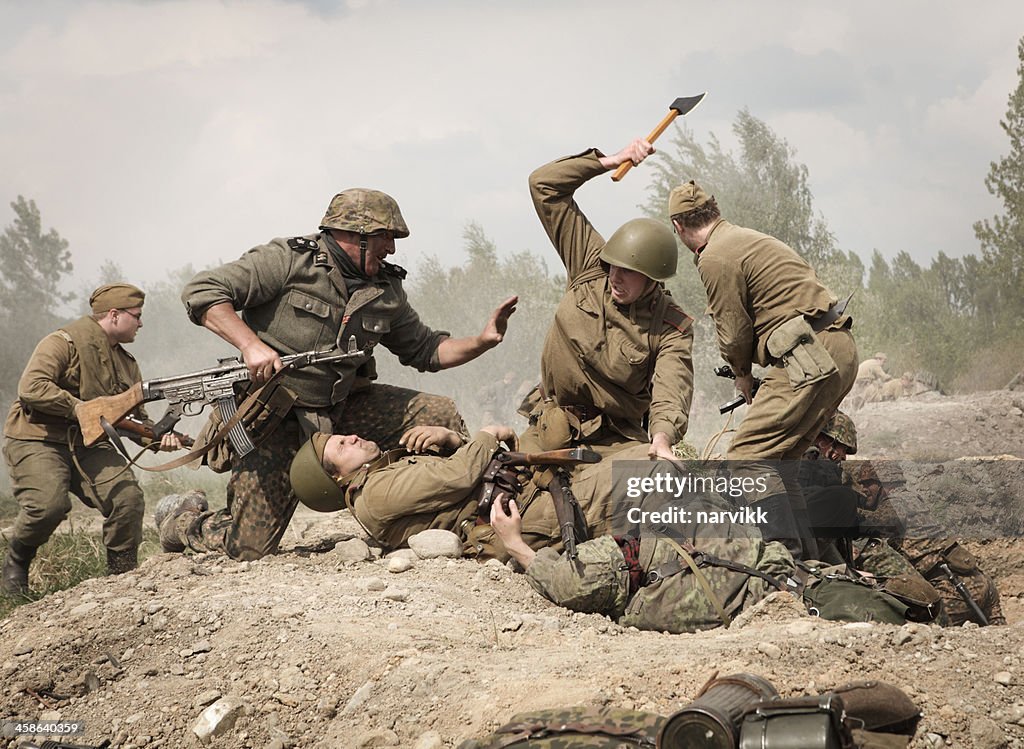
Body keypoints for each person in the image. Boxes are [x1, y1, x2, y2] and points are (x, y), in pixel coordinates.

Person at [161, 189, 517, 561]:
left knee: (437, 414)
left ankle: (444, 514)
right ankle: (185, 520)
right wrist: (250, 345)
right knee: (249, 550)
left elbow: (426, 349)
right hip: (274, 419)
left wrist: (483, 340)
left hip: (342, 408)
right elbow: (202, 292)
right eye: (385, 237)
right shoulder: (287, 261)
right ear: (354, 235)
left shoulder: (385, 287)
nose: (391, 249)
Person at [668, 181, 858, 559]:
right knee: (780, 464)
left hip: (809, 355)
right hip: (836, 348)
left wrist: (741, 373)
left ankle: (785, 563)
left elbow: (734, 330)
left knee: (746, 459)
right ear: (714, 210)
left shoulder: (714, 256)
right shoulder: (743, 237)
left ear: (678, 227)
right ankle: (814, 564)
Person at [159, 424, 652, 560]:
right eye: (342, 448)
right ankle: (728, 511)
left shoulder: (385, 472)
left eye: (345, 437)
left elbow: (455, 472)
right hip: (524, 513)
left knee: (643, 456)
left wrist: (449, 438)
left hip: (526, 493)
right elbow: (460, 479)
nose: (351, 438)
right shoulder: (375, 495)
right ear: (340, 480)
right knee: (643, 485)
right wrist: (483, 434)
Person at [2, 284, 184, 595]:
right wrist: (80, 408)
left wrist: (159, 438)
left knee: (127, 499)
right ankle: (16, 561)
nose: (141, 323)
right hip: (39, 438)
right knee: (48, 506)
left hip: (90, 444)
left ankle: (121, 576)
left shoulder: (127, 363)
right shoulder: (62, 343)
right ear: (114, 315)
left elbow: (135, 418)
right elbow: (31, 387)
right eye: (137, 316)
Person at [523, 138, 694, 462]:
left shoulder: (671, 326)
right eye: (614, 265)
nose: (615, 277)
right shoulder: (590, 265)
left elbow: (672, 388)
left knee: (653, 487)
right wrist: (613, 160)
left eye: (629, 272)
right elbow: (543, 185)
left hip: (614, 441)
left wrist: (661, 438)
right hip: (548, 427)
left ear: (652, 279)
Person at [489, 483, 796, 634]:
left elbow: (568, 582)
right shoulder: (704, 515)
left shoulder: (628, 571)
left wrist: (515, 544)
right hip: (780, 574)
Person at [801, 411, 1004, 626]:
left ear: (881, 483)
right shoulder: (909, 498)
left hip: (952, 582)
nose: (842, 457)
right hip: (977, 580)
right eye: (842, 450)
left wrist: (852, 512)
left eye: (868, 484)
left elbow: (879, 522)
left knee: (933, 619)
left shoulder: (899, 503)